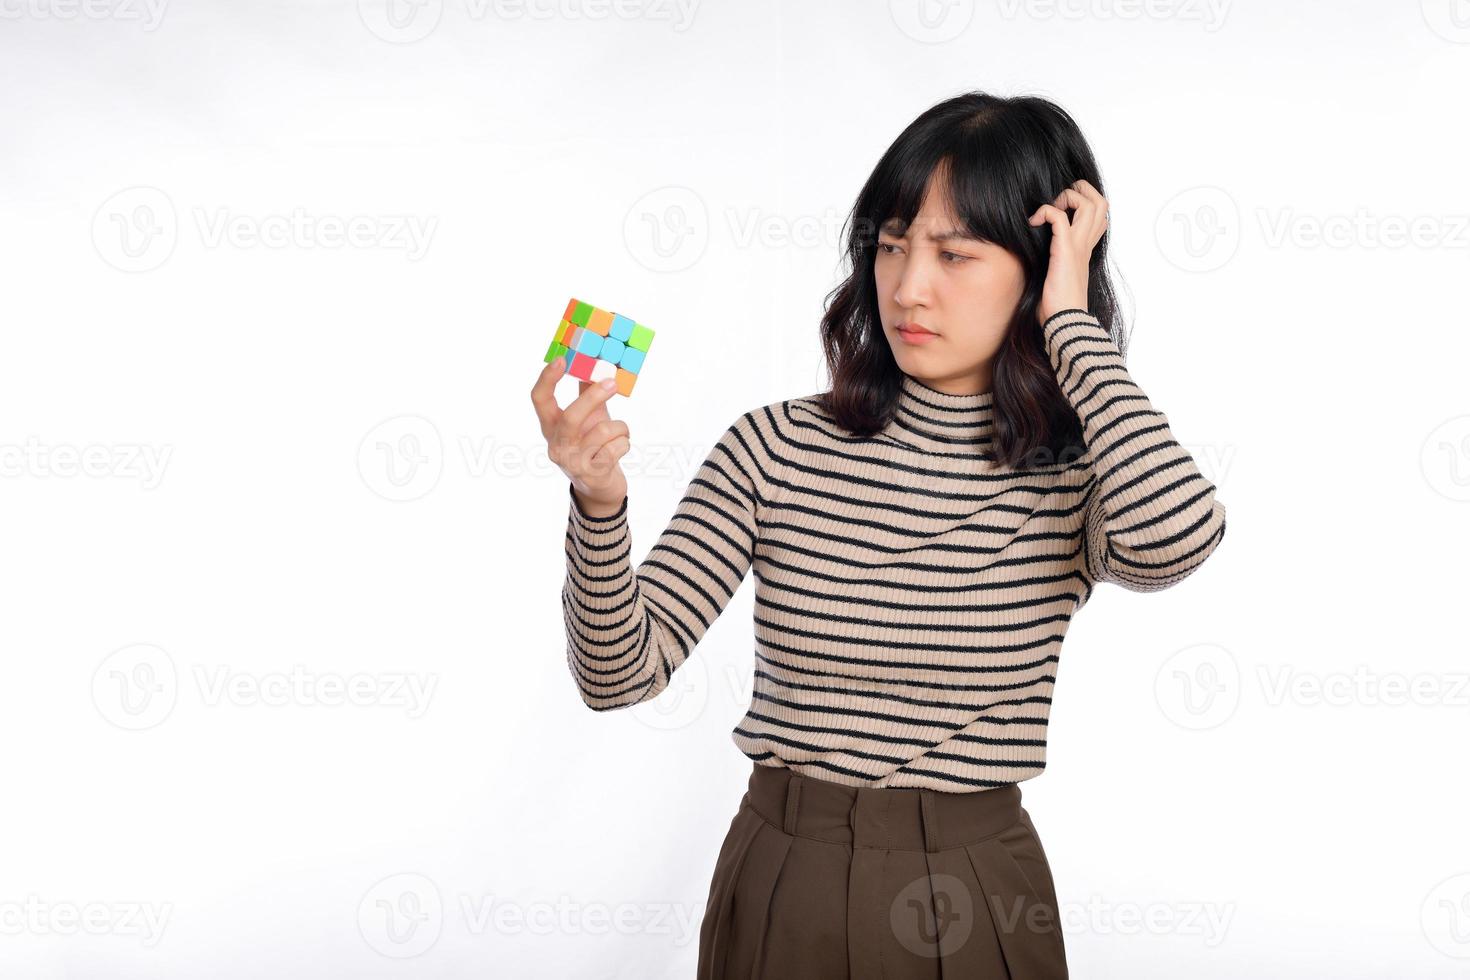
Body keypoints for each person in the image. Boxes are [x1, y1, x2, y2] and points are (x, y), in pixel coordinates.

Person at [530, 90, 1227, 979]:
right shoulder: (772, 446)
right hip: (785, 876)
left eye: (955, 254)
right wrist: (598, 504)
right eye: (892, 245)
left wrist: (1071, 325)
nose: (908, 286)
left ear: (1037, 269)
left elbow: (1181, 537)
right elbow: (615, 674)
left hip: (977, 890)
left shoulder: (1076, 474)